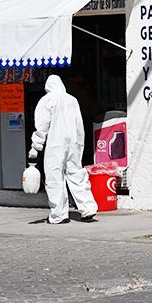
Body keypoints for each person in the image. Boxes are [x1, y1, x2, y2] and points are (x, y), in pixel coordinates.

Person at [28, 75, 98, 224]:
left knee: (54, 178)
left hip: (55, 144)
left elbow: (41, 125)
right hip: (74, 143)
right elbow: (79, 126)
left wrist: (36, 146)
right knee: (77, 174)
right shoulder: (72, 100)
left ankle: (59, 215)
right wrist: (80, 145)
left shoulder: (47, 100)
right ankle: (88, 208)